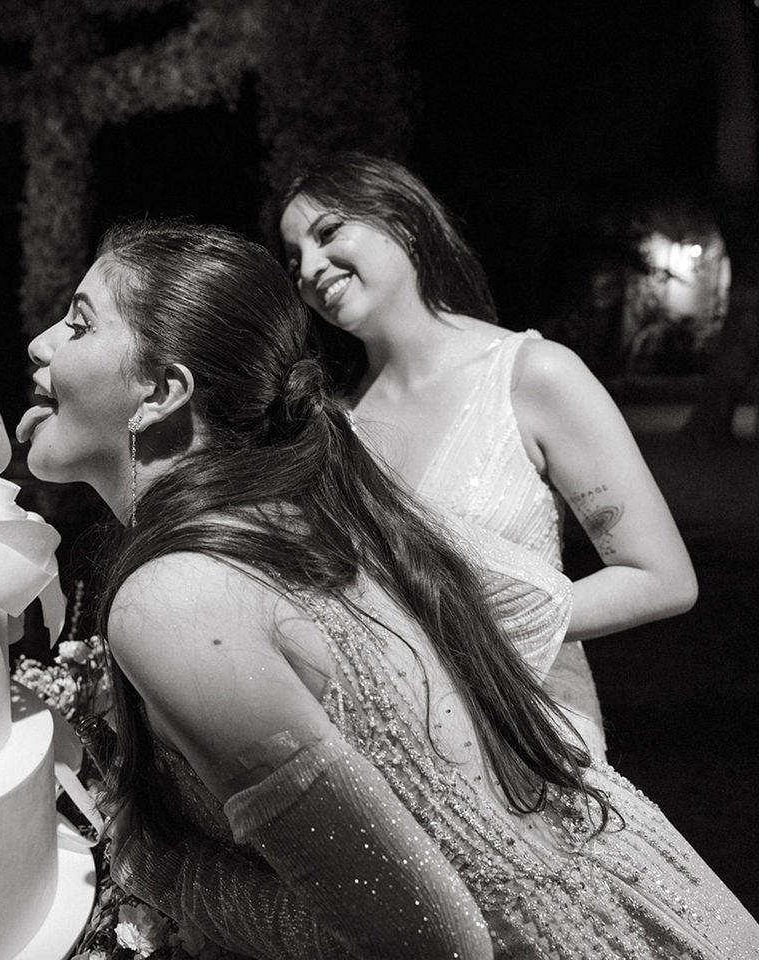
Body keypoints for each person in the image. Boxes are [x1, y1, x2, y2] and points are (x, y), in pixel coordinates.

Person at [16, 219, 759, 958]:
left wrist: (172, 875)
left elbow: (433, 943)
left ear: (160, 392)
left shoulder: (175, 602)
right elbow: (522, 607)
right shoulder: (319, 503)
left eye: (78, 325)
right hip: (661, 896)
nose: (38, 344)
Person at [273, 152, 699, 762]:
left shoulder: (532, 375)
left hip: (529, 739)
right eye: (295, 261)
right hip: (397, 755)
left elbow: (661, 579)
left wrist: (472, 632)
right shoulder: (337, 426)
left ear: (405, 222)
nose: (311, 268)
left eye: (328, 232)